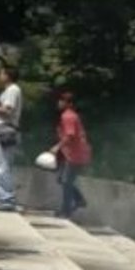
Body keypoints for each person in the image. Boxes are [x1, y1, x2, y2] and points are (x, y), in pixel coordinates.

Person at [50, 91, 91, 219]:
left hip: (75, 154)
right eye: (59, 100)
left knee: (66, 181)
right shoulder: (69, 116)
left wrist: (57, 147)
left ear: (69, 104)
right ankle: (78, 200)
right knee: (63, 179)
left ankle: (66, 211)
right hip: (72, 153)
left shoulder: (68, 116)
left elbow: (70, 135)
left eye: (62, 101)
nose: (59, 103)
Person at [0, 66, 23, 211]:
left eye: (2, 73)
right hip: (6, 129)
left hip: (6, 129)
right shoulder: (11, 90)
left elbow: (7, 111)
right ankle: (5, 197)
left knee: (2, 166)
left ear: (8, 75)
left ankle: (6, 199)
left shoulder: (12, 90)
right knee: (3, 165)